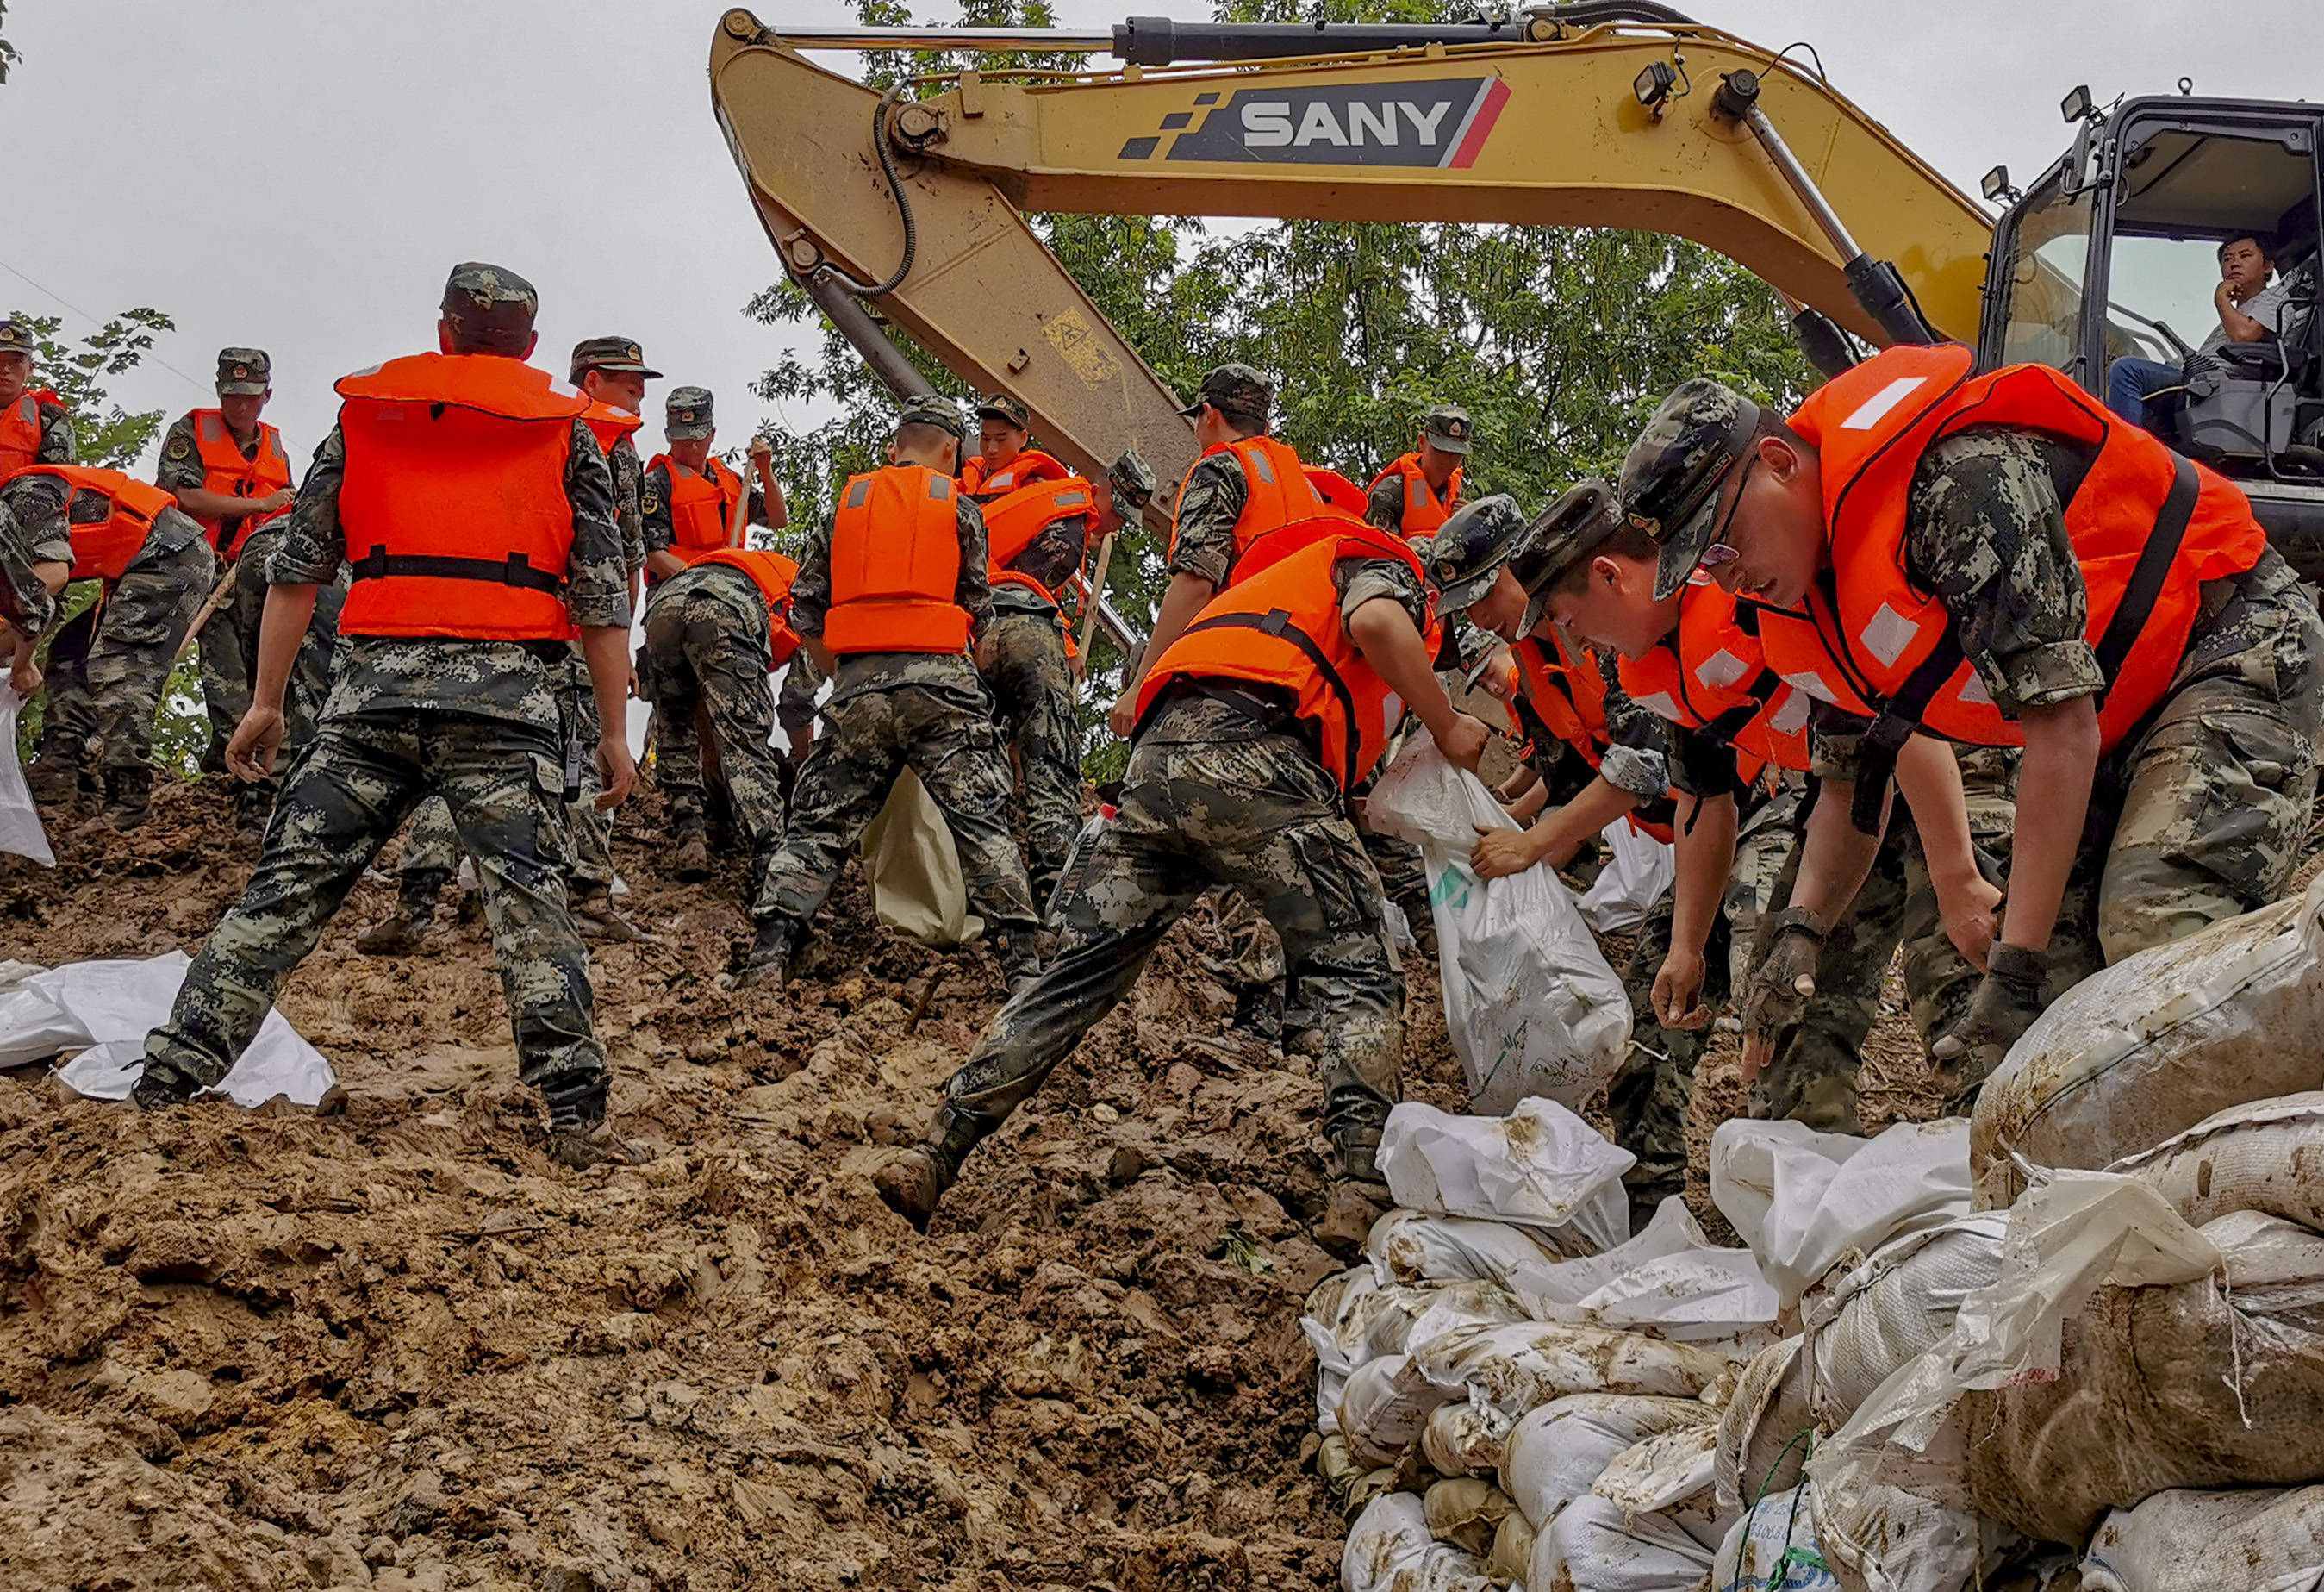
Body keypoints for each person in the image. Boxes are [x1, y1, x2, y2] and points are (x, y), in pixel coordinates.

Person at [1636, 345, 2324, 1110]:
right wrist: (1802, 926)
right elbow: (1850, 790)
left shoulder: (1957, 483)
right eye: (1706, 566)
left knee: (2150, 926)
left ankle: (2257, 1158)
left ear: (1777, 463)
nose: (1727, 577)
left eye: (1724, 542)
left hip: (2228, 638)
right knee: (2058, 997)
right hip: (2112, 706)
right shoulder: (1808, 606)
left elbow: (2061, 732)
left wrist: (2016, 968)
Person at [871, 500, 1515, 1252]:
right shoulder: (1391, 568)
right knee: (1356, 967)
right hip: (1255, 759)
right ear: (1481, 572)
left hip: (1157, 769)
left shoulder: (1282, 580)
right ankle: (1361, 1190)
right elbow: (1375, 622)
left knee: (1069, 979)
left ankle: (935, 1148)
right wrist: (1449, 723)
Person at [131, 263, 639, 1168]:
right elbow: (602, 599)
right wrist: (609, 730)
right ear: (528, 347)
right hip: (505, 707)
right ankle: (575, 1120)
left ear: (442, 333)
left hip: (369, 700)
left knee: (283, 894)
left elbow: (300, 568)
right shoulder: (570, 436)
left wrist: (265, 701)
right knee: (533, 911)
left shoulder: (365, 417)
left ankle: (167, 1078)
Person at [1508, 478, 2010, 1205]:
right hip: (1843, 796)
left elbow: (1906, 725)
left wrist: (1958, 877)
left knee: (1968, 988)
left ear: (1609, 576)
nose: (1571, 641)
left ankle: (2007, 1214)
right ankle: (1827, 1228)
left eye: (1565, 617)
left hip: (1953, 764)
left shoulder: (1755, 594)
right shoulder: (1660, 664)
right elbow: (1705, 801)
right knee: (1787, 1007)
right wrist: (1687, 945)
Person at [358, 335, 662, 952]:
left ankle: (425, 903)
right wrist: (613, 644)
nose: (640, 394)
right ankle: (583, 898)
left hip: (512, 627)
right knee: (575, 759)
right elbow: (621, 558)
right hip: (556, 633)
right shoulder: (600, 440)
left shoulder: (529, 415)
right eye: (630, 382)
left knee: (477, 757)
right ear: (594, 378)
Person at [737, 397, 1044, 990]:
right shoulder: (957, 506)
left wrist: (842, 675)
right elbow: (979, 611)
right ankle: (1024, 968)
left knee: (817, 828)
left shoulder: (846, 505)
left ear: (897, 440)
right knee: (981, 824)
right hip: (941, 688)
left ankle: (768, 955)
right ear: (952, 450)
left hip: (858, 691)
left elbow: (805, 610)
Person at [157, 348, 346, 829]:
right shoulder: (191, 432)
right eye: (232, 397)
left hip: (263, 577)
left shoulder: (276, 447)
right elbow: (182, 494)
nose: (241, 407)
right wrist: (259, 504)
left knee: (273, 674)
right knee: (226, 679)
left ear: (267, 394)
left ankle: (269, 780)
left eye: (250, 397)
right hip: (209, 570)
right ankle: (238, 782)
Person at [1106, 364, 1332, 740]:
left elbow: (1195, 584)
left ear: (1209, 414)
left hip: (1233, 669)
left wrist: (1138, 687)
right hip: (1300, 678)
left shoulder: (1222, 468)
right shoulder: (1308, 490)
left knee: (1142, 666)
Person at [978, 453, 1153, 908]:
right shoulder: (1071, 527)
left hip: (972, 623)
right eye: (1119, 515)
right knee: (1052, 755)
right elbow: (1027, 591)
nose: (1113, 527)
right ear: (1107, 492)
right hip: (1010, 622)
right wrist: (1068, 651)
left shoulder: (1048, 497)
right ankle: (1056, 883)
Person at [12, 465, 217, 827]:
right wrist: (18, 659)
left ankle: (127, 798)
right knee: (69, 652)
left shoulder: (26, 494)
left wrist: (20, 661)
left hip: (170, 556)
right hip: (136, 565)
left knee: (118, 667)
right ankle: (62, 765)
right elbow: (39, 609)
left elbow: (52, 578)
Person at [638, 541, 801, 907]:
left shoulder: (763, 566)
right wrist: (802, 760)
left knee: (675, 723)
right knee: (745, 742)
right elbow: (798, 699)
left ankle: (690, 837)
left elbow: (702, 707)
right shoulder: (808, 590)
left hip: (665, 605)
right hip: (724, 607)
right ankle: (772, 863)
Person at [2106, 233, 2308, 431]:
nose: (2234, 263)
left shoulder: (2274, 299)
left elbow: (2244, 335)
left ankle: (2126, 449)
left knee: (2127, 370)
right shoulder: (2232, 316)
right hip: (2201, 377)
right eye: (2228, 259)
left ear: (2267, 266)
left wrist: (2220, 298)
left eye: (2245, 256)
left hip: (2224, 383)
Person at [641, 386, 784, 585]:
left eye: (698, 438)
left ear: (712, 434)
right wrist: (706, 581)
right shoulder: (656, 483)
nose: (691, 447)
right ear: (668, 436)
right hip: (676, 589)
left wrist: (766, 473)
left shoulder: (730, 481)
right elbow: (652, 555)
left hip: (731, 589)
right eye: (683, 439)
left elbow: (778, 520)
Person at [1367, 404, 1474, 539]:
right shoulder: (1390, 493)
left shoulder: (1455, 491)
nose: (1446, 460)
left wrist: (1471, 522)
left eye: (1456, 454)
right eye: (1439, 450)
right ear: (1422, 443)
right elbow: (1376, 552)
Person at [958, 394, 1073, 503]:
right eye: (986, 439)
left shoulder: (1034, 485)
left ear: (1023, 438)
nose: (991, 449)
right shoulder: (970, 470)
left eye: (1001, 439)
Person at [0, 317, 75, 478]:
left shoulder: (48, 414)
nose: (5, 369)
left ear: (30, 369)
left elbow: (56, 476)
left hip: (24, 497)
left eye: (15, 361)